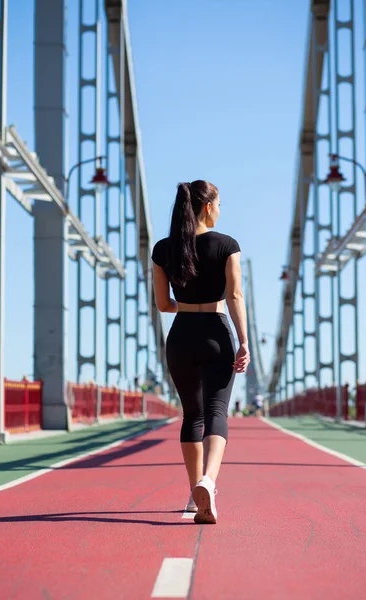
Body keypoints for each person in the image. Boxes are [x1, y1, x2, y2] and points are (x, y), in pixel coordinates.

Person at [151, 180, 250, 524]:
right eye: (219, 204)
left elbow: (163, 304)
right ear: (208, 207)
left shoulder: (163, 250)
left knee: (191, 415)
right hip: (216, 333)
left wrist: (187, 305)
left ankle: (194, 492)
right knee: (217, 410)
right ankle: (209, 480)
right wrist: (243, 340)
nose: (221, 210)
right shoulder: (227, 245)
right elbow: (235, 297)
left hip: (180, 337)